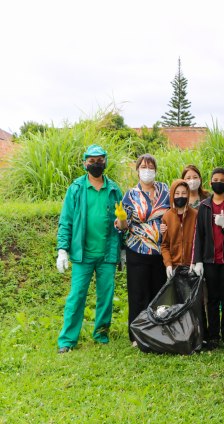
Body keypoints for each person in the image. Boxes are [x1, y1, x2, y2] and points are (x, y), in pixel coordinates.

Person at [56, 145, 125, 353]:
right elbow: (66, 220)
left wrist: (122, 248)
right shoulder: (76, 188)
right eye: (92, 160)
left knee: (106, 295)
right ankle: (67, 340)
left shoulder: (113, 189)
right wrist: (62, 249)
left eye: (100, 160)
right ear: (85, 163)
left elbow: (122, 220)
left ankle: (101, 333)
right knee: (76, 295)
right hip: (82, 253)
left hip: (107, 253)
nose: (96, 164)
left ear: (105, 161)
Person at [119, 154, 170, 344]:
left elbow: (172, 213)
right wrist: (121, 219)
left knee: (158, 293)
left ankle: (157, 333)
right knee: (138, 294)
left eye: (150, 166)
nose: (147, 170)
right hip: (138, 250)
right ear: (137, 170)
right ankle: (137, 335)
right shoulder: (130, 195)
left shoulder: (165, 190)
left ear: (155, 170)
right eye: (143, 166)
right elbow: (123, 225)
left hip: (160, 252)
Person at [191, 167, 224, 348]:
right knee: (212, 299)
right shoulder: (204, 206)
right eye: (216, 179)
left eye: (222, 180)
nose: (219, 182)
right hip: (210, 260)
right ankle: (213, 334)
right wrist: (197, 260)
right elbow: (199, 235)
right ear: (210, 182)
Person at [161, 180, 197, 278]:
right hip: (174, 267)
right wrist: (168, 264)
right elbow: (165, 245)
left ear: (188, 195)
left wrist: (196, 261)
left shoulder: (195, 215)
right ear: (172, 195)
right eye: (177, 193)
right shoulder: (167, 217)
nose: (180, 196)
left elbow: (199, 241)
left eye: (184, 193)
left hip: (192, 266)